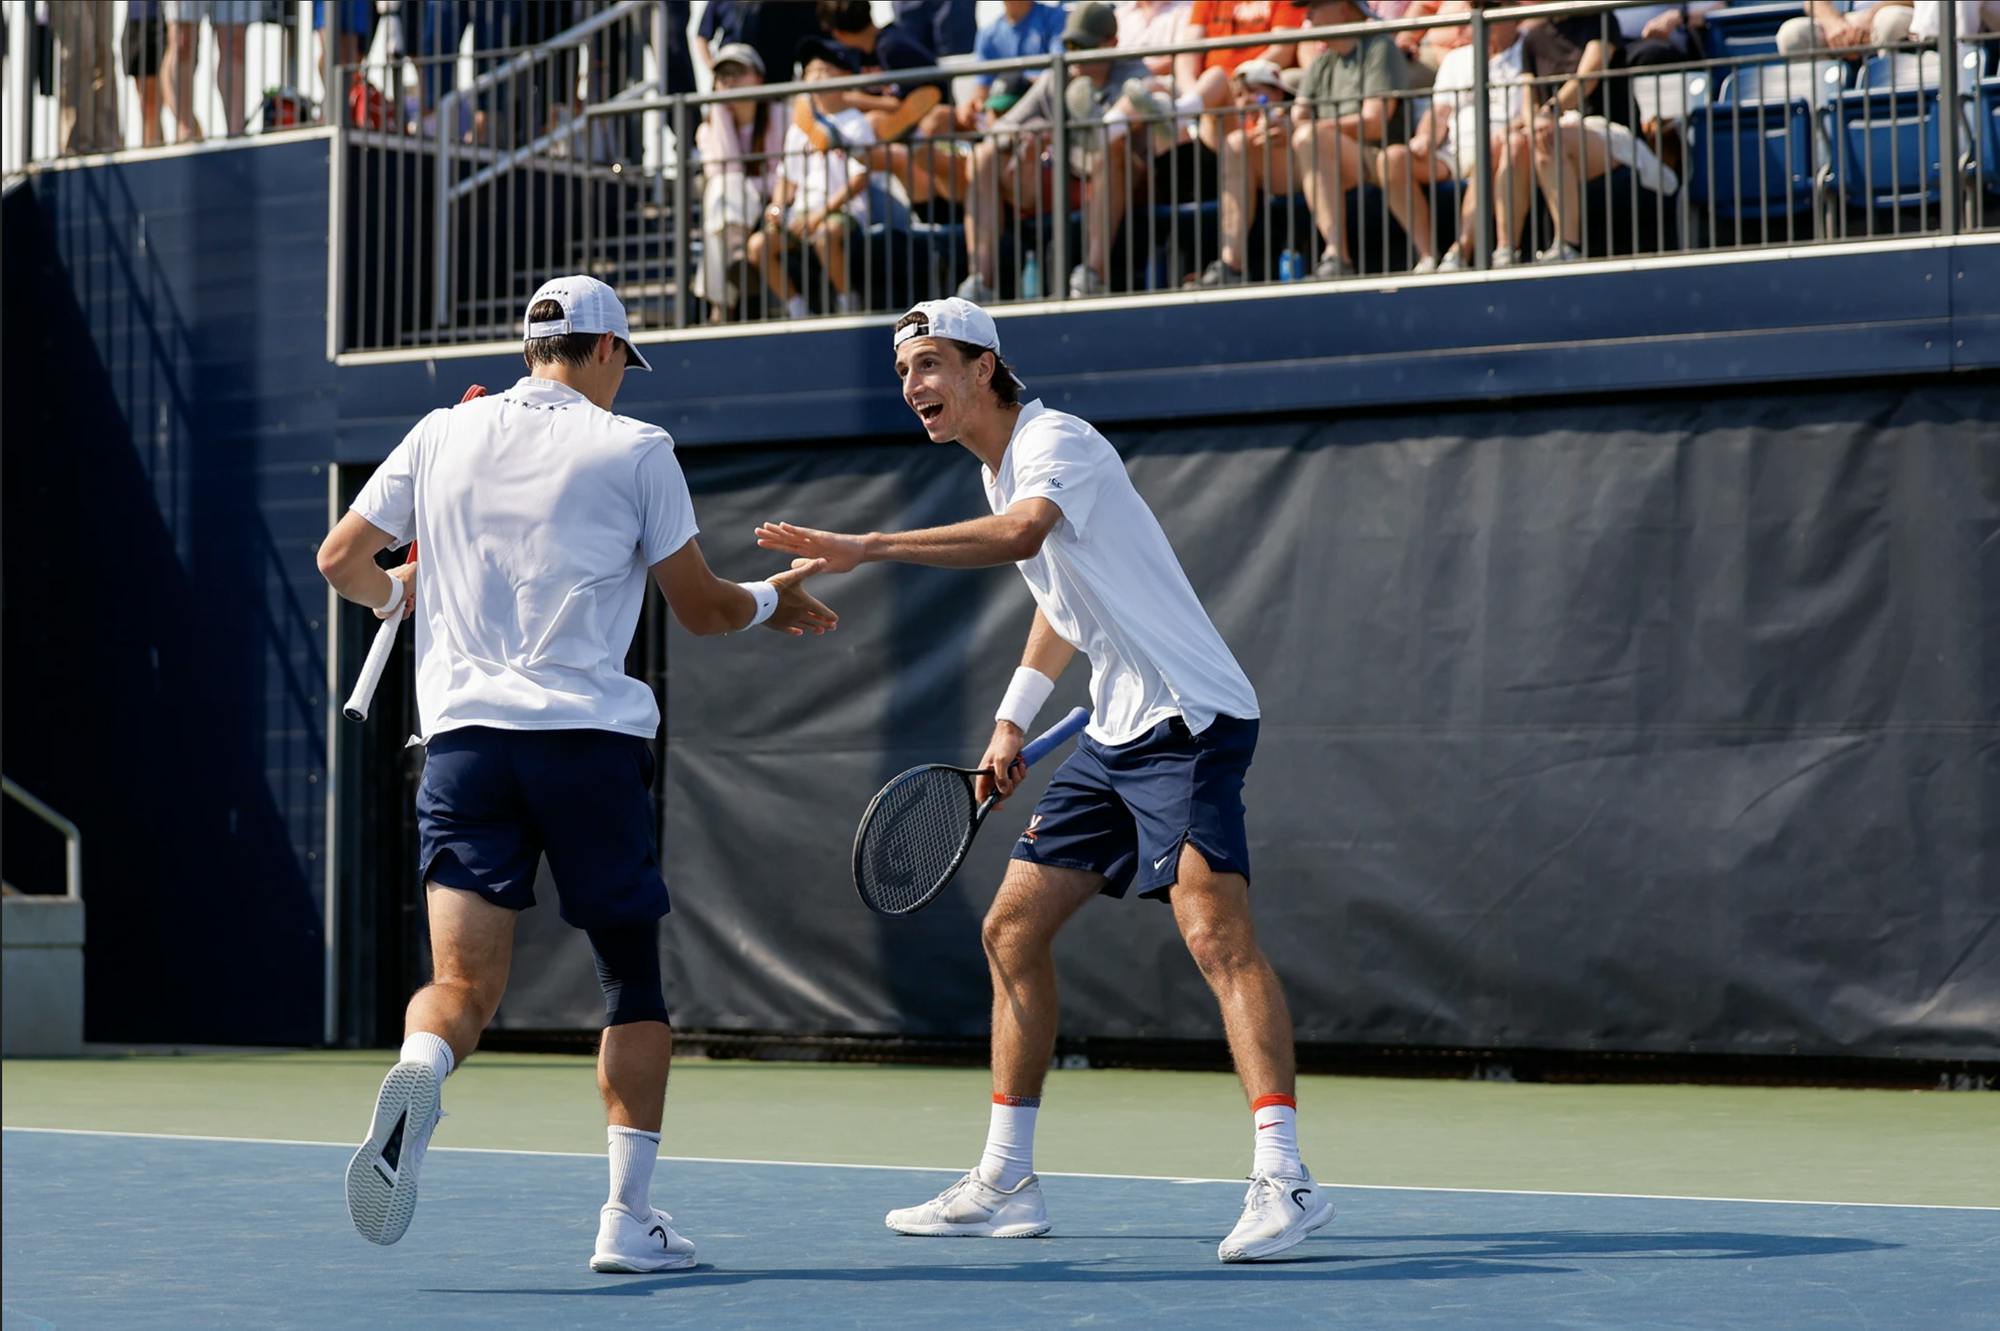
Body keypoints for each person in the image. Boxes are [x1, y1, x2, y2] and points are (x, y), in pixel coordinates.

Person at [753, 298, 1330, 1264]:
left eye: (932, 365)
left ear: (985, 369)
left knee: (1212, 930)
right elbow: (1061, 604)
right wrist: (1011, 719)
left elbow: (1023, 538)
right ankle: (1007, 1180)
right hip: (1114, 724)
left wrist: (868, 547)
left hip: (1191, 718)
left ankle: (1287, 1178)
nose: (915, 388)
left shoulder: (1056, 440)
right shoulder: (999, 468)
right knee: (1011, 926)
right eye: (905, 372)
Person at [318, 275, 837, 1270]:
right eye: (622, 366)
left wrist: (398, 593)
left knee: (459, 984)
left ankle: (420, 1069)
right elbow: (701, 607)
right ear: (605, 352)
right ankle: (624, 1219)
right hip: (588, 746)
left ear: (528, 352)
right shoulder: (634, 447)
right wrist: (774, 598)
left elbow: (341, 558)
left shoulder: (438, 433)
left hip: (465, 750)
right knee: (630, 982)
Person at [954, 3, 1151, 301]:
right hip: (1062, 176)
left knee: (1109, 147)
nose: (1074, 54)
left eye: (1082, 45)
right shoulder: (1057, 76)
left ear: (1111, 44)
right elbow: (1001, 130)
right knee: (984, 156)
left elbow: (1156, 114)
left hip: (1127, 174)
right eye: (1069, 44)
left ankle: (1092, 275)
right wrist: (1028, 136)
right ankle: (980, 280)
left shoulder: (1134, 73)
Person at [1379, 0, 1523, 272]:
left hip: (1502, 149)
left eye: (1493, 5)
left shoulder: (1529, 49)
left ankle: (1460, 251)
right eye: (1477, 6)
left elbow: (1532, 107)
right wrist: (1424, 138)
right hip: (1453, 152)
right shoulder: (1457, 58)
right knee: (1393, 159)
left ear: (1514, 11)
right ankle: (1427, 256)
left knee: (1488, 149)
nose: (1482, 13)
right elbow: (1439, 113)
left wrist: (1514, 130)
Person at [747, 45, 876, 318]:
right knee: (758, 246)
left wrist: (821, 214)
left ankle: (847, 302)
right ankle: (796, 309)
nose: (816, 77)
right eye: (810, 72)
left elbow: (860, 178)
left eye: (824, 70)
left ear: (843, 76)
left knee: (825, 235)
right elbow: (787, 179)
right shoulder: (798, 129)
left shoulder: (857, 123)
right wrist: (777, 208)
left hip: (843, 212)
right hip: (801, 213)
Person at [1290, 0, 1414, 280]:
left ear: (1344, 9)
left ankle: (1337, 256)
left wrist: (1316, 128)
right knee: (1238, 145)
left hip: (1374, 158)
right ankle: (1231, 264)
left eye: (1315, 6)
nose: (1308, 15)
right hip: (1321, 156)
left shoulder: (1379, 47)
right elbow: (1298, 116)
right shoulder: (1322, 60)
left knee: (1310, 137)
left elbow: (1375, 123)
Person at [1183, 59, 1300, 286]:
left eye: (1254, 91)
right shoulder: (1232, 131)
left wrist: (1285, 131)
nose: (1245, 100)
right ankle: (1230, 265)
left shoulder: (1288, 116)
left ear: (1277, 93)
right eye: (1238, 95)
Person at [697, 43, 789, 322]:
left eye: (738, 72)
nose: (730, 81)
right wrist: (720, 114)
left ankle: (721, 305)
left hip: (777, 203)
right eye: (723, 76)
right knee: (723, 189)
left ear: (758, 77)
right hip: (735, 208)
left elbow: (785, 173)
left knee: (724, 198)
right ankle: (737, 260)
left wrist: (754, 187)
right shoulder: (708, 128)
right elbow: (723, 169)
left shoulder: (780, 114)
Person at [960, 1, 1070, 131]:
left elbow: (1058, 73)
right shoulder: (987, 35)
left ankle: (994, 142)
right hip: (999, 113)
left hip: (1043, 114)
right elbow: (981, 92)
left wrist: (1014, 88)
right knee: (942, 117)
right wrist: (974, 107)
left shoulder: (1057, 17)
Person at [124, 0, 169, 148]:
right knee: (147, 105)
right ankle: (152, 152)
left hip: (165, 18)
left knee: (172, 101)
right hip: (137, 16)